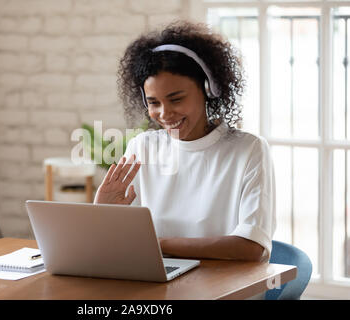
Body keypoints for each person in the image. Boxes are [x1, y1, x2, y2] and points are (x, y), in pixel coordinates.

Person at [93, 20, 276, 264]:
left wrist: (159, 245)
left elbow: (252, 247)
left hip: (225, 284)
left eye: (176, 99)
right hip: (157, 279)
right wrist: (103, 213)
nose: (164, 114)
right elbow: (119, 244)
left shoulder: (249, 150)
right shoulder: (142, 147)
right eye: (154, 103)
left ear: (208, 90)